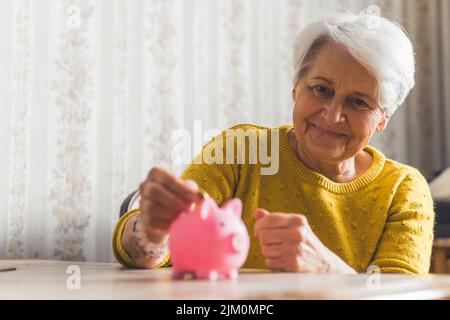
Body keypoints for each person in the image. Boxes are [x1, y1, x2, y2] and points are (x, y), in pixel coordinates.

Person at [113, 11, 434, 275]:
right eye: (321, 89)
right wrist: (151, 233)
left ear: (383, 118)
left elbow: (399, 292)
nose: (333, 115)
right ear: (296, 88)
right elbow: (156, 251)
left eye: (359, 102)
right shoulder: (242, 149)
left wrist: (327, 271)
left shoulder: (404, 190)